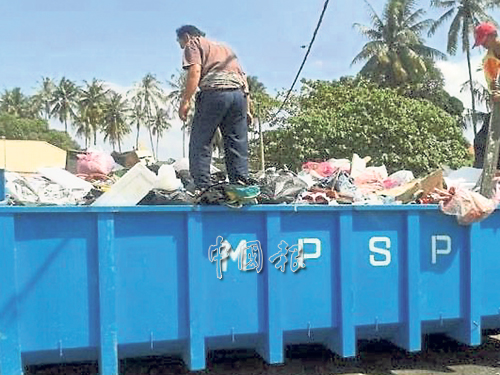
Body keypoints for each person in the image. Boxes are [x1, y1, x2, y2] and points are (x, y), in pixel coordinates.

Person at [176, 25, 252, 191]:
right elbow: (243, 78)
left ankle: (202, 186)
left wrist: (185, 101)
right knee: (236, 142)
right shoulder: (226, 48)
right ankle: (240, 185)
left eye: (180, 42)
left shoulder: (194, 43)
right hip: (238, 96)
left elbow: (195, 71)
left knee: (201, 141)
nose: (181, 47)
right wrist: (247, 108)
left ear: (186, 36)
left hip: (214, 93)